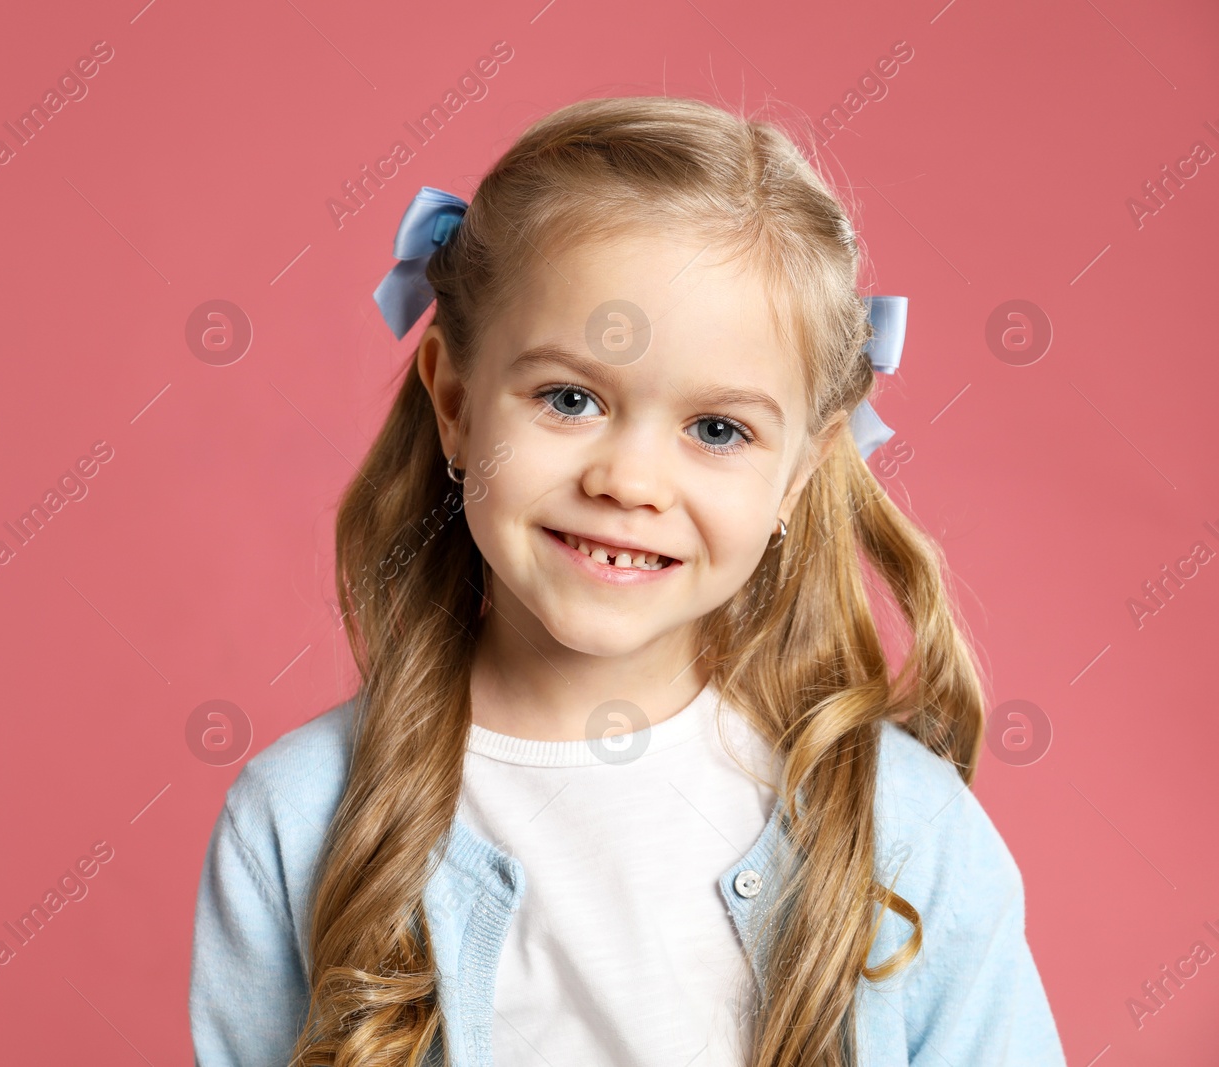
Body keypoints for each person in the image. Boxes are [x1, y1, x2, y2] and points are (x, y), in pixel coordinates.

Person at [188, 95, 1068, 1067]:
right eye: (570, 399)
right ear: (453, 401)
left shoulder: (902, 827)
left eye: (717, 428)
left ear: (801, 470)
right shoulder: (298, 818)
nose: (629, 481)